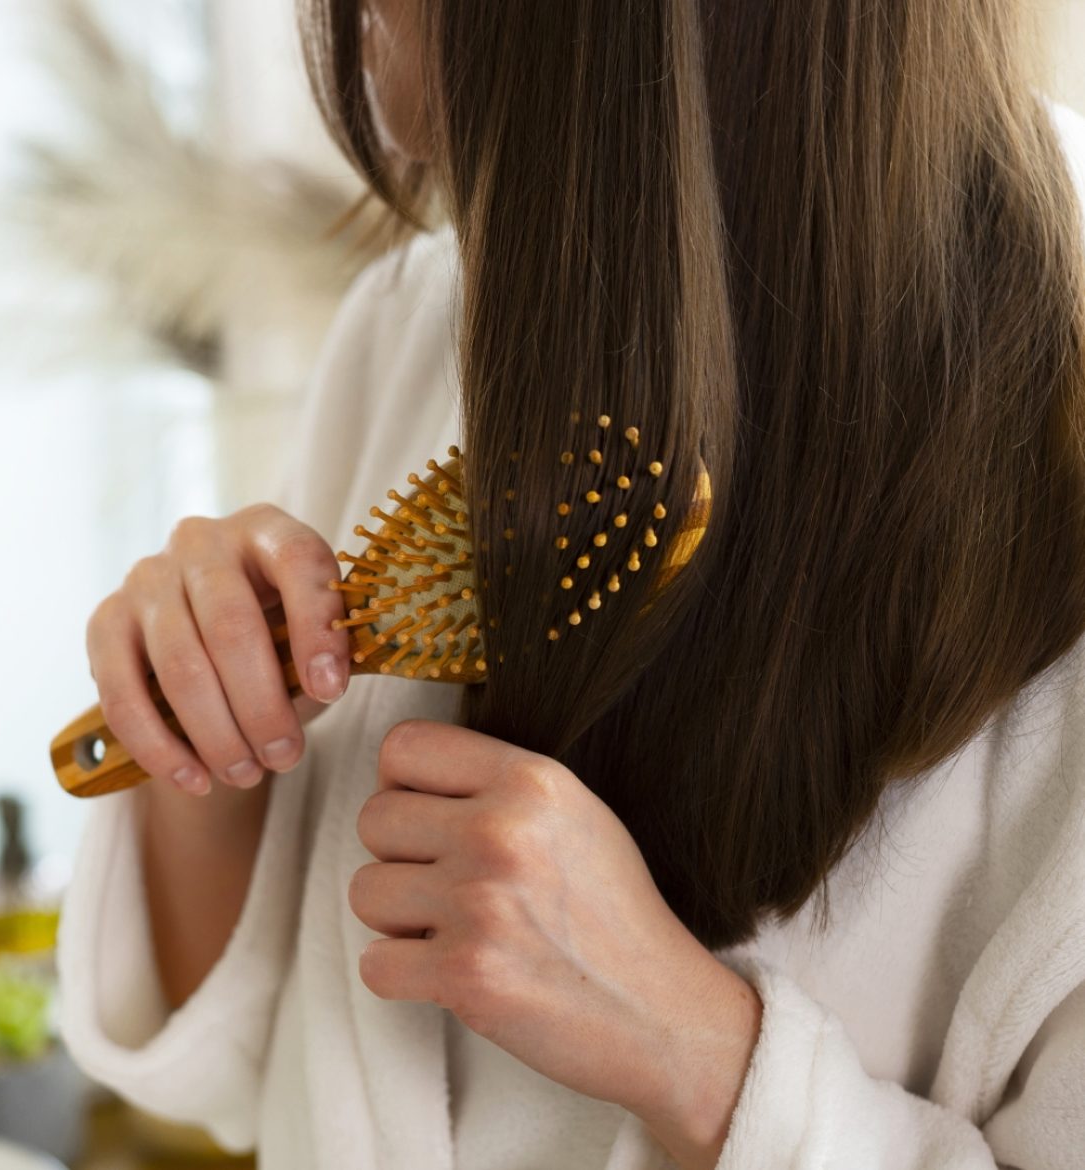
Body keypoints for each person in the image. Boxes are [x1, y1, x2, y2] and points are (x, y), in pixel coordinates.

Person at [58, 3, 1085, 1168]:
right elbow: (244, 1073)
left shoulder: (1058, 408)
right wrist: (207, 735)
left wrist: (693, 1054)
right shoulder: (414, 321)